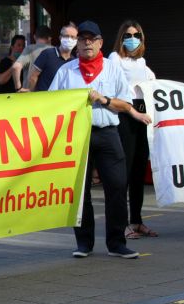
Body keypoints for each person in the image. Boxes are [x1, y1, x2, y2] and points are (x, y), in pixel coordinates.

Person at [49, 21, 152, 260]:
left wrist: (104, 100)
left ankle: (117, 243)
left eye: (91, 39)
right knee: (80, 191)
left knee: (117, 187)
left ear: (100, 43)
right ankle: (84, 243)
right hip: (77, 136)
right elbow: (51, 104)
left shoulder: (111, 68)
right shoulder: (66, 71)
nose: (86, 43)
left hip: (107, 132)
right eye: (82, 39)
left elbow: (126, 103)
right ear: (77, 44)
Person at [107, 20, 158, 239]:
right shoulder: (114, 59)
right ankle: (122, 224)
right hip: (125, 115)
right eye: (128, 34)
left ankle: (136, 220)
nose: (132, 38)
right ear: (121, 37)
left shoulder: (143, 62)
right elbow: (115, 88)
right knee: (124, 171)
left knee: (138, 169)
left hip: (143, 115)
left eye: (136, 34)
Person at [25, 23, 77, 92]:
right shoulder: (47, 54)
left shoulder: (74, 61)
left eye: (73, 37)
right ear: (60, 37)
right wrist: (32, 95)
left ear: (77, 40)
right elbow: (33, 77)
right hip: (44, 100)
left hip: (63, 100)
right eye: (66, 36)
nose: (69, 39)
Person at [12, 26, 52, 91]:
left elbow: (16, 67)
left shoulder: (29, 49)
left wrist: (18, 88)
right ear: (49, 38)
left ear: (34, 37)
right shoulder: (55, 51)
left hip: (30, 95)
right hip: (50, 95)